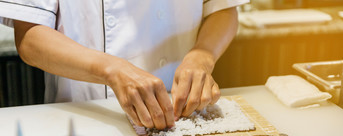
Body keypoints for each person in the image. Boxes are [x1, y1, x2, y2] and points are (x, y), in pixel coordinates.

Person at [0, 0, 249, 129]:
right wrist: (112, 70)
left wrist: (202, 56)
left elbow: (223, 9)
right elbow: (30, 37)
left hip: (184, 114)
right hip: (90, 118)